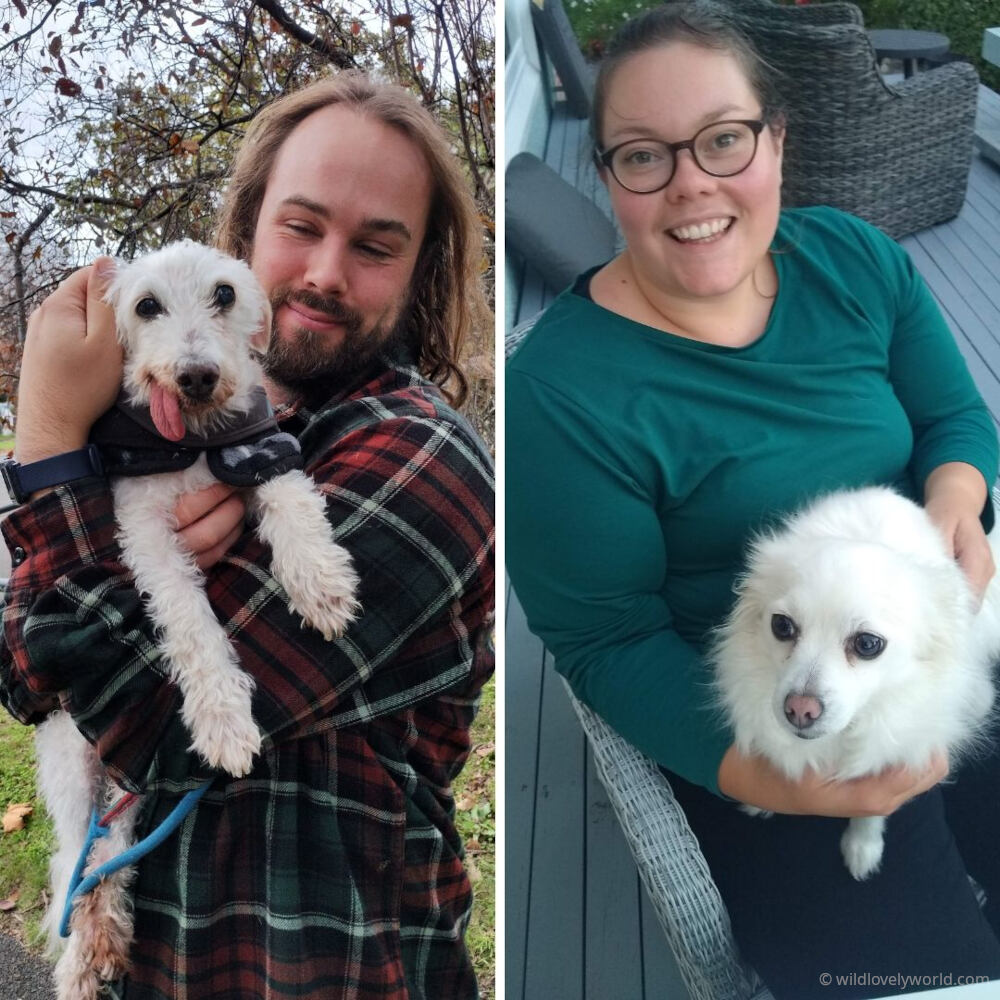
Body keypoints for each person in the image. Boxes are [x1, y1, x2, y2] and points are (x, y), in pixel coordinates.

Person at [506, 4, 1000, 996]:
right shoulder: (560, 394)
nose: (693, 182)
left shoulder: (854, 260)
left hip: (938, 653)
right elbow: (606, 644)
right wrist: (769, 777)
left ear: (776, 139)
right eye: (645, 155)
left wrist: (953, 498)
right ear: (605, 175)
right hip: (763, 729)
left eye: (725, 139)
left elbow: (956, 421)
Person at [0, 72, 494, 1000]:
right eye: (301, 226)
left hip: (315, 971)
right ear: (247, 235)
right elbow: (23, 675)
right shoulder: (169, 430)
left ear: (423, 269)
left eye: (377, 246)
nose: (324, 274)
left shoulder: (421, 458)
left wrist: (51, 448)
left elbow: (139, 714)